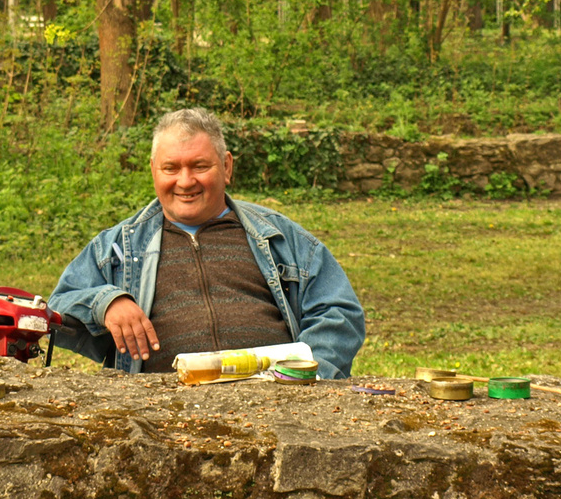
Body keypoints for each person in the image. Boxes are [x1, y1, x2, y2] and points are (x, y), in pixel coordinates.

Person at [49, 108, 365, 378]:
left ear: (226, 167)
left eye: (200, 166)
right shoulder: (117, 246)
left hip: (276, 404)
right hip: (161, 412)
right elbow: (56, 309)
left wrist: (302, 375)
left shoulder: (279, 236)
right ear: (153, 171)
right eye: (171, 168)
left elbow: (339, 311)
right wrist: (106, 303)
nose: (185, 181)